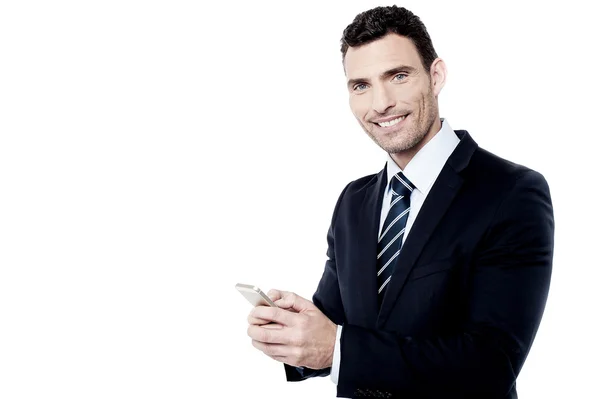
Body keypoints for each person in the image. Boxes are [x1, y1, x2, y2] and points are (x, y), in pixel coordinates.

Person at [246, 5, 554, 399]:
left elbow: (492, 364)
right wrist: (296, 335)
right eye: (361, 86)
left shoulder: (510, 192)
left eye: (399, 76)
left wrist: (335, 347)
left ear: (436, 75)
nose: (381, 103)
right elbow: (336, 327)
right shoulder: (353, 201)